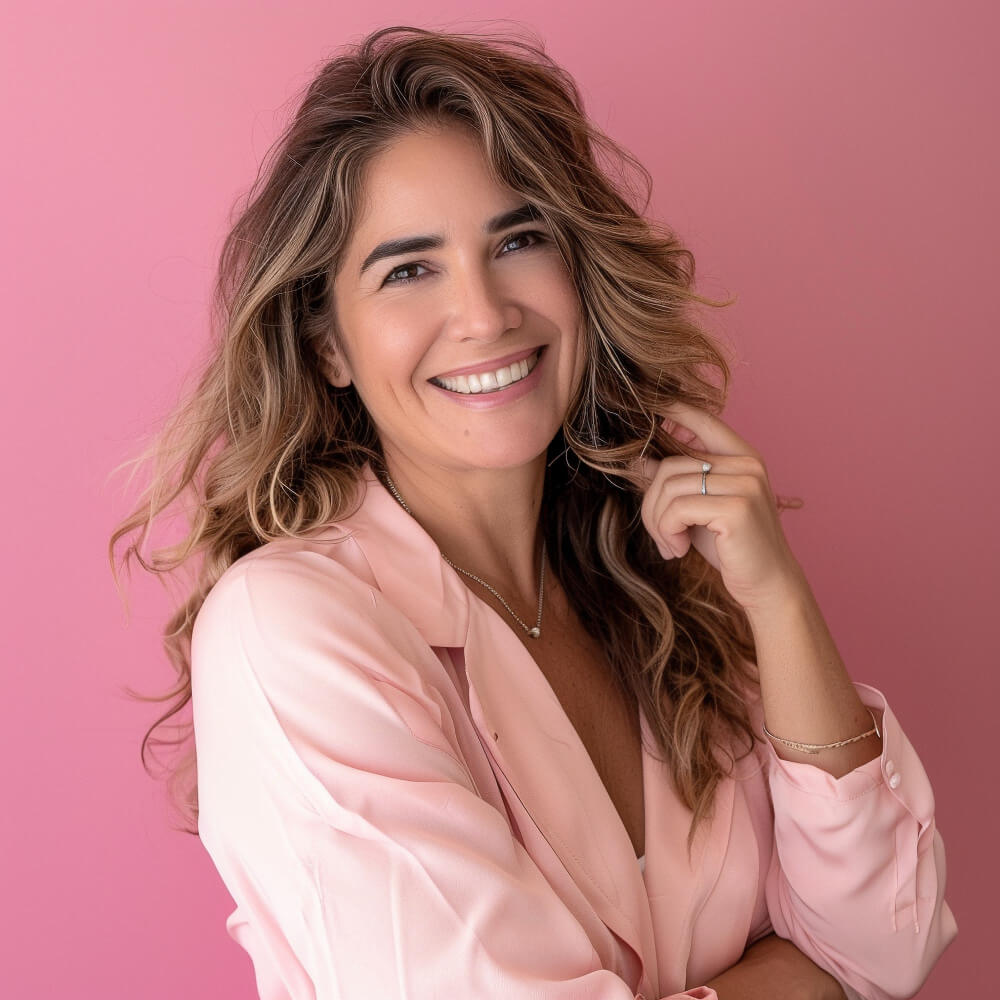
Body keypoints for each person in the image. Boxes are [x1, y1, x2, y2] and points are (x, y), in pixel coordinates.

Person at [109, 24, 957, 1000]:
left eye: (517, 241)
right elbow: (847, 978)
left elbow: (884, 943)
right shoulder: (290, 628)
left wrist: (780, 600)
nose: (484, 314)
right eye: (408, 269)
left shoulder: (660, 582)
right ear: (328, 346)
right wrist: (802, 984)